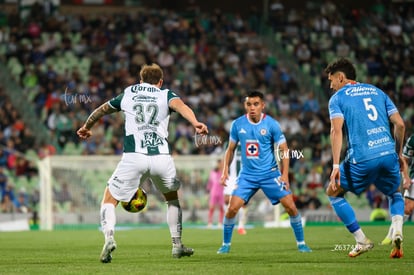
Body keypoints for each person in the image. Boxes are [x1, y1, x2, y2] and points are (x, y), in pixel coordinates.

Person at [77, 63, 208, 263]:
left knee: (109, 199)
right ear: (160, 81)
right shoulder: (165, 94)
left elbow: (101, 110)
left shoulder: (128, 93)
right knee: (172, 199)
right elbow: (182, 107)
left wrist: (87, 126)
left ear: (140, 80)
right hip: (162, 158)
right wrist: (195, 122)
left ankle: (109, 237)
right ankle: (176, 245)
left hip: (134, 157)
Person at [325, 57, 407, 258]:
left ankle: (361, 240)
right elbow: (400, 124)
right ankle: (397, 229)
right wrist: (398, 153)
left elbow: (336, 131)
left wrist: (336, 165)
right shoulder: (378, 92)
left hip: (362, 158)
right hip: (387, 153)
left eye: (331, 80)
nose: (330, 85)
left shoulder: (337, 99)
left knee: (333, 192)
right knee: (395, 192)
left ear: (341, 78)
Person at [217, 90, 312, 254]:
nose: (252, 107)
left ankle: (301, 243)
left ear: (262, 105)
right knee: (232, 209)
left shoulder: (272, 124)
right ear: (245, 106)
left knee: (291, 207)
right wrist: (225, 171)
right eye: (249, 104)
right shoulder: (238, 124)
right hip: (247, 176)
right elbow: (230, 150)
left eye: (255, 104)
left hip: (271, 174)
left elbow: (284, 150)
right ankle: (225, 245)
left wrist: (285, 174)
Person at [381, 133, 414, 245]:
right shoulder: (412, 139)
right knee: (407, 208)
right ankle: (391, 236)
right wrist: (406, 178)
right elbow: (404, 159)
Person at [224, 144, 248, 235]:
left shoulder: (246, 142)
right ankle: (229, 222)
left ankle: (241, 226)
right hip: (231, 177)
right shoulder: (229, 143)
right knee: (226, 200)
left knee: (242, 203)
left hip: (242, 177)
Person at [207, 159, 225, 228]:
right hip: (213, 192)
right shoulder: (213, 172)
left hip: (221, 192)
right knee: (212, 207)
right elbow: (210, 182)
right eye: (219, 163)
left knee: (221, 208)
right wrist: (208, 191)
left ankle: (220, 223)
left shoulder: (224, 173)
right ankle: (210, 222)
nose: (220, 165)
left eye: (221, 163)